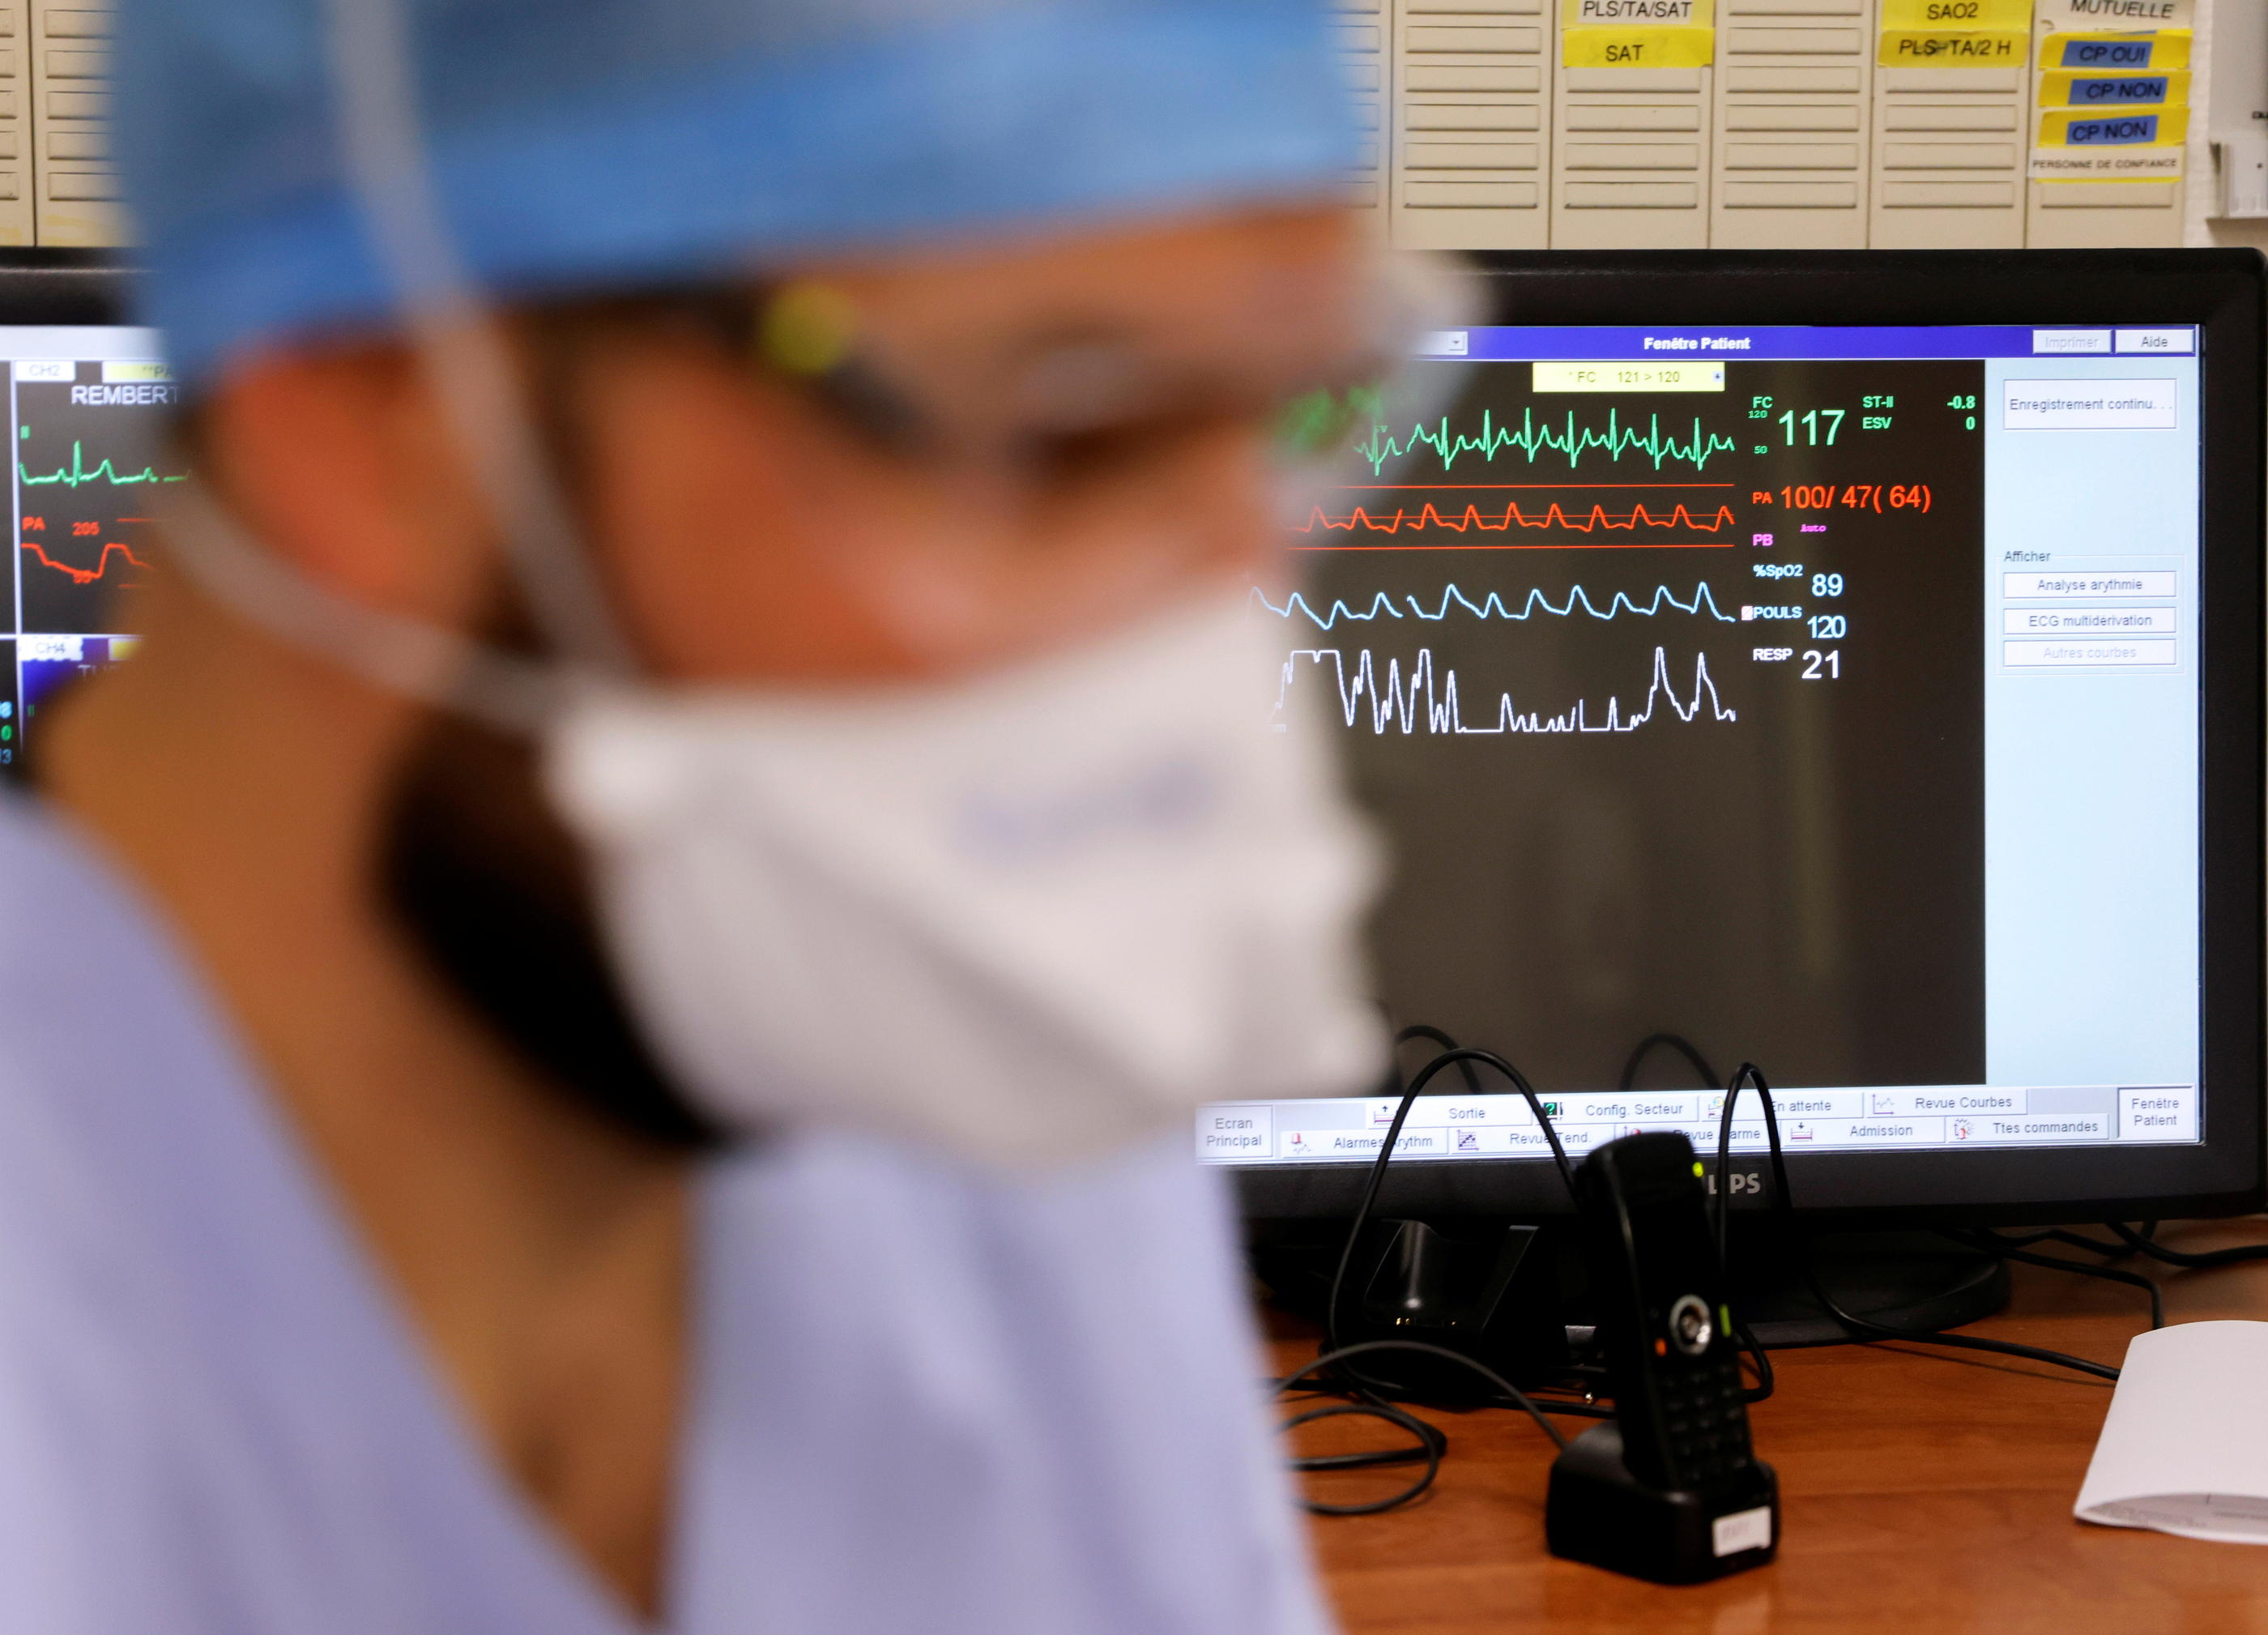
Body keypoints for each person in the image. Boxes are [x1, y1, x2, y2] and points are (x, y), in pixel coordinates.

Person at [0, 0, 1406, 1629]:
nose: (1222, 642)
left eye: (1298, 419)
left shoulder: (972, 1065)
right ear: (387, 423)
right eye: (1064, 432)